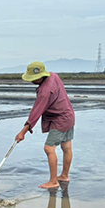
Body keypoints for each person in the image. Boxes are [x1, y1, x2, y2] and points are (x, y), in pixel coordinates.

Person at [15, 61, 75, 189]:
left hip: (60, 119)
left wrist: (23, 132)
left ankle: (53, 181)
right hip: (69, 115)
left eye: (34, 78)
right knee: (66, 146)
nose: (32, 81)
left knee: (49, 148)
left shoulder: (45, 92)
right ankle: (64, 176)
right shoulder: (53, 75)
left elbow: (36, 111)